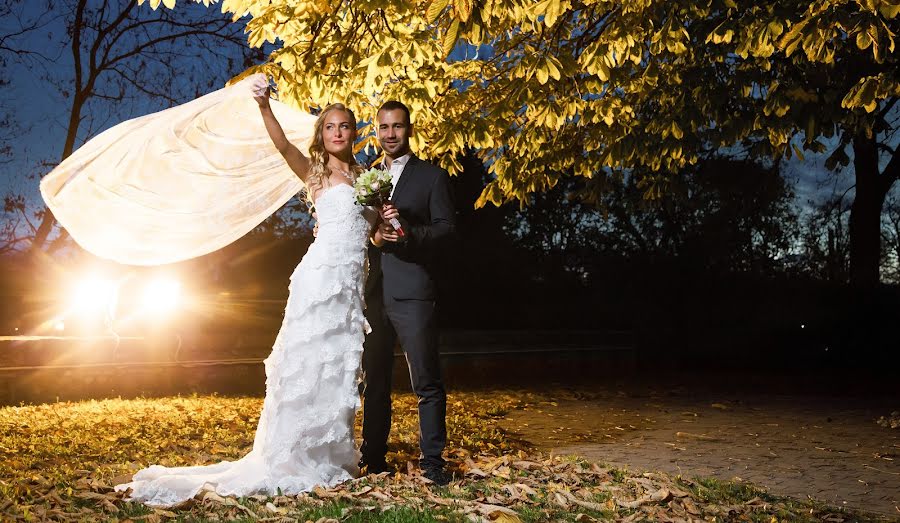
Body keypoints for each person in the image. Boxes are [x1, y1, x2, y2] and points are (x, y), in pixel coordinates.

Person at [115, 76, 386, 507]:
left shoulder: (371, 179)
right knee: (307, 363)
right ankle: (292, 454)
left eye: (346, 126)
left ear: (355, 132)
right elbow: (282, 146)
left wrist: (385, 227)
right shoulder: (314, 173)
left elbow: (373, 236)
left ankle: (328, 453)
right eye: (331, 126)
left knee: (337, 365)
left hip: (351, 288)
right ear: (322, 134)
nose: (338, 132)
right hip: (319, 280)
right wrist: (264, 107)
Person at [358, 101, 456, 485]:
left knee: (426, 381)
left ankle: (432, 462)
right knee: (375, 380)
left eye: (397, 126)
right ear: (376, 130)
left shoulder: (432, 177)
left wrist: (410, 233)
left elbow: (448, 231)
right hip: (374, 294)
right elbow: (361, 231)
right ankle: (373, 459)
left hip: (413, 289)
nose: (390, 134)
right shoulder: (366, 175)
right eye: (384, 127)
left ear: (408, 129)